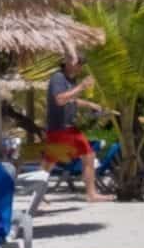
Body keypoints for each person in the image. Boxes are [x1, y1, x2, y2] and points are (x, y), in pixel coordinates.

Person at [44, 58, 106, 203]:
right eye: (78, 63)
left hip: (70, 128)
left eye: (82, 64)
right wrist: (82, 86)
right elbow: (60, 99)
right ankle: (38, 197)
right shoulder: (58, 78)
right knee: (48, 164)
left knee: (89, 155)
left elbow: (71, 99)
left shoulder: (70, 80)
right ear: (67, 62)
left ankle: (92, 194)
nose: (80, 67)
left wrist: (90, 104)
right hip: (58, 128)